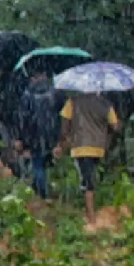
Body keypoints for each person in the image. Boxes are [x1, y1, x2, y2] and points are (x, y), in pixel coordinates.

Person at [54, 92, 120, 225]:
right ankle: (92, 210)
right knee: (91, 176)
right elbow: (115, 126)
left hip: (80, 146)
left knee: (87, 180)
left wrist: (61, 143)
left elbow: (65, 126)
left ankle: (91, 216)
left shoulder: (73, 102)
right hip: (98, 148)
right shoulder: (105, 104)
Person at [15, 71, 61, 200]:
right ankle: (50, 189)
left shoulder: (27, 94)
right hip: (52, 133)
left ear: (34, 78)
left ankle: (43, 194)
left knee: (37, 164)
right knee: (49, 161)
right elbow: (61, 114)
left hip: (34, 134)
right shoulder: (55, 93)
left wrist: (21, 138)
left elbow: (23, 118)